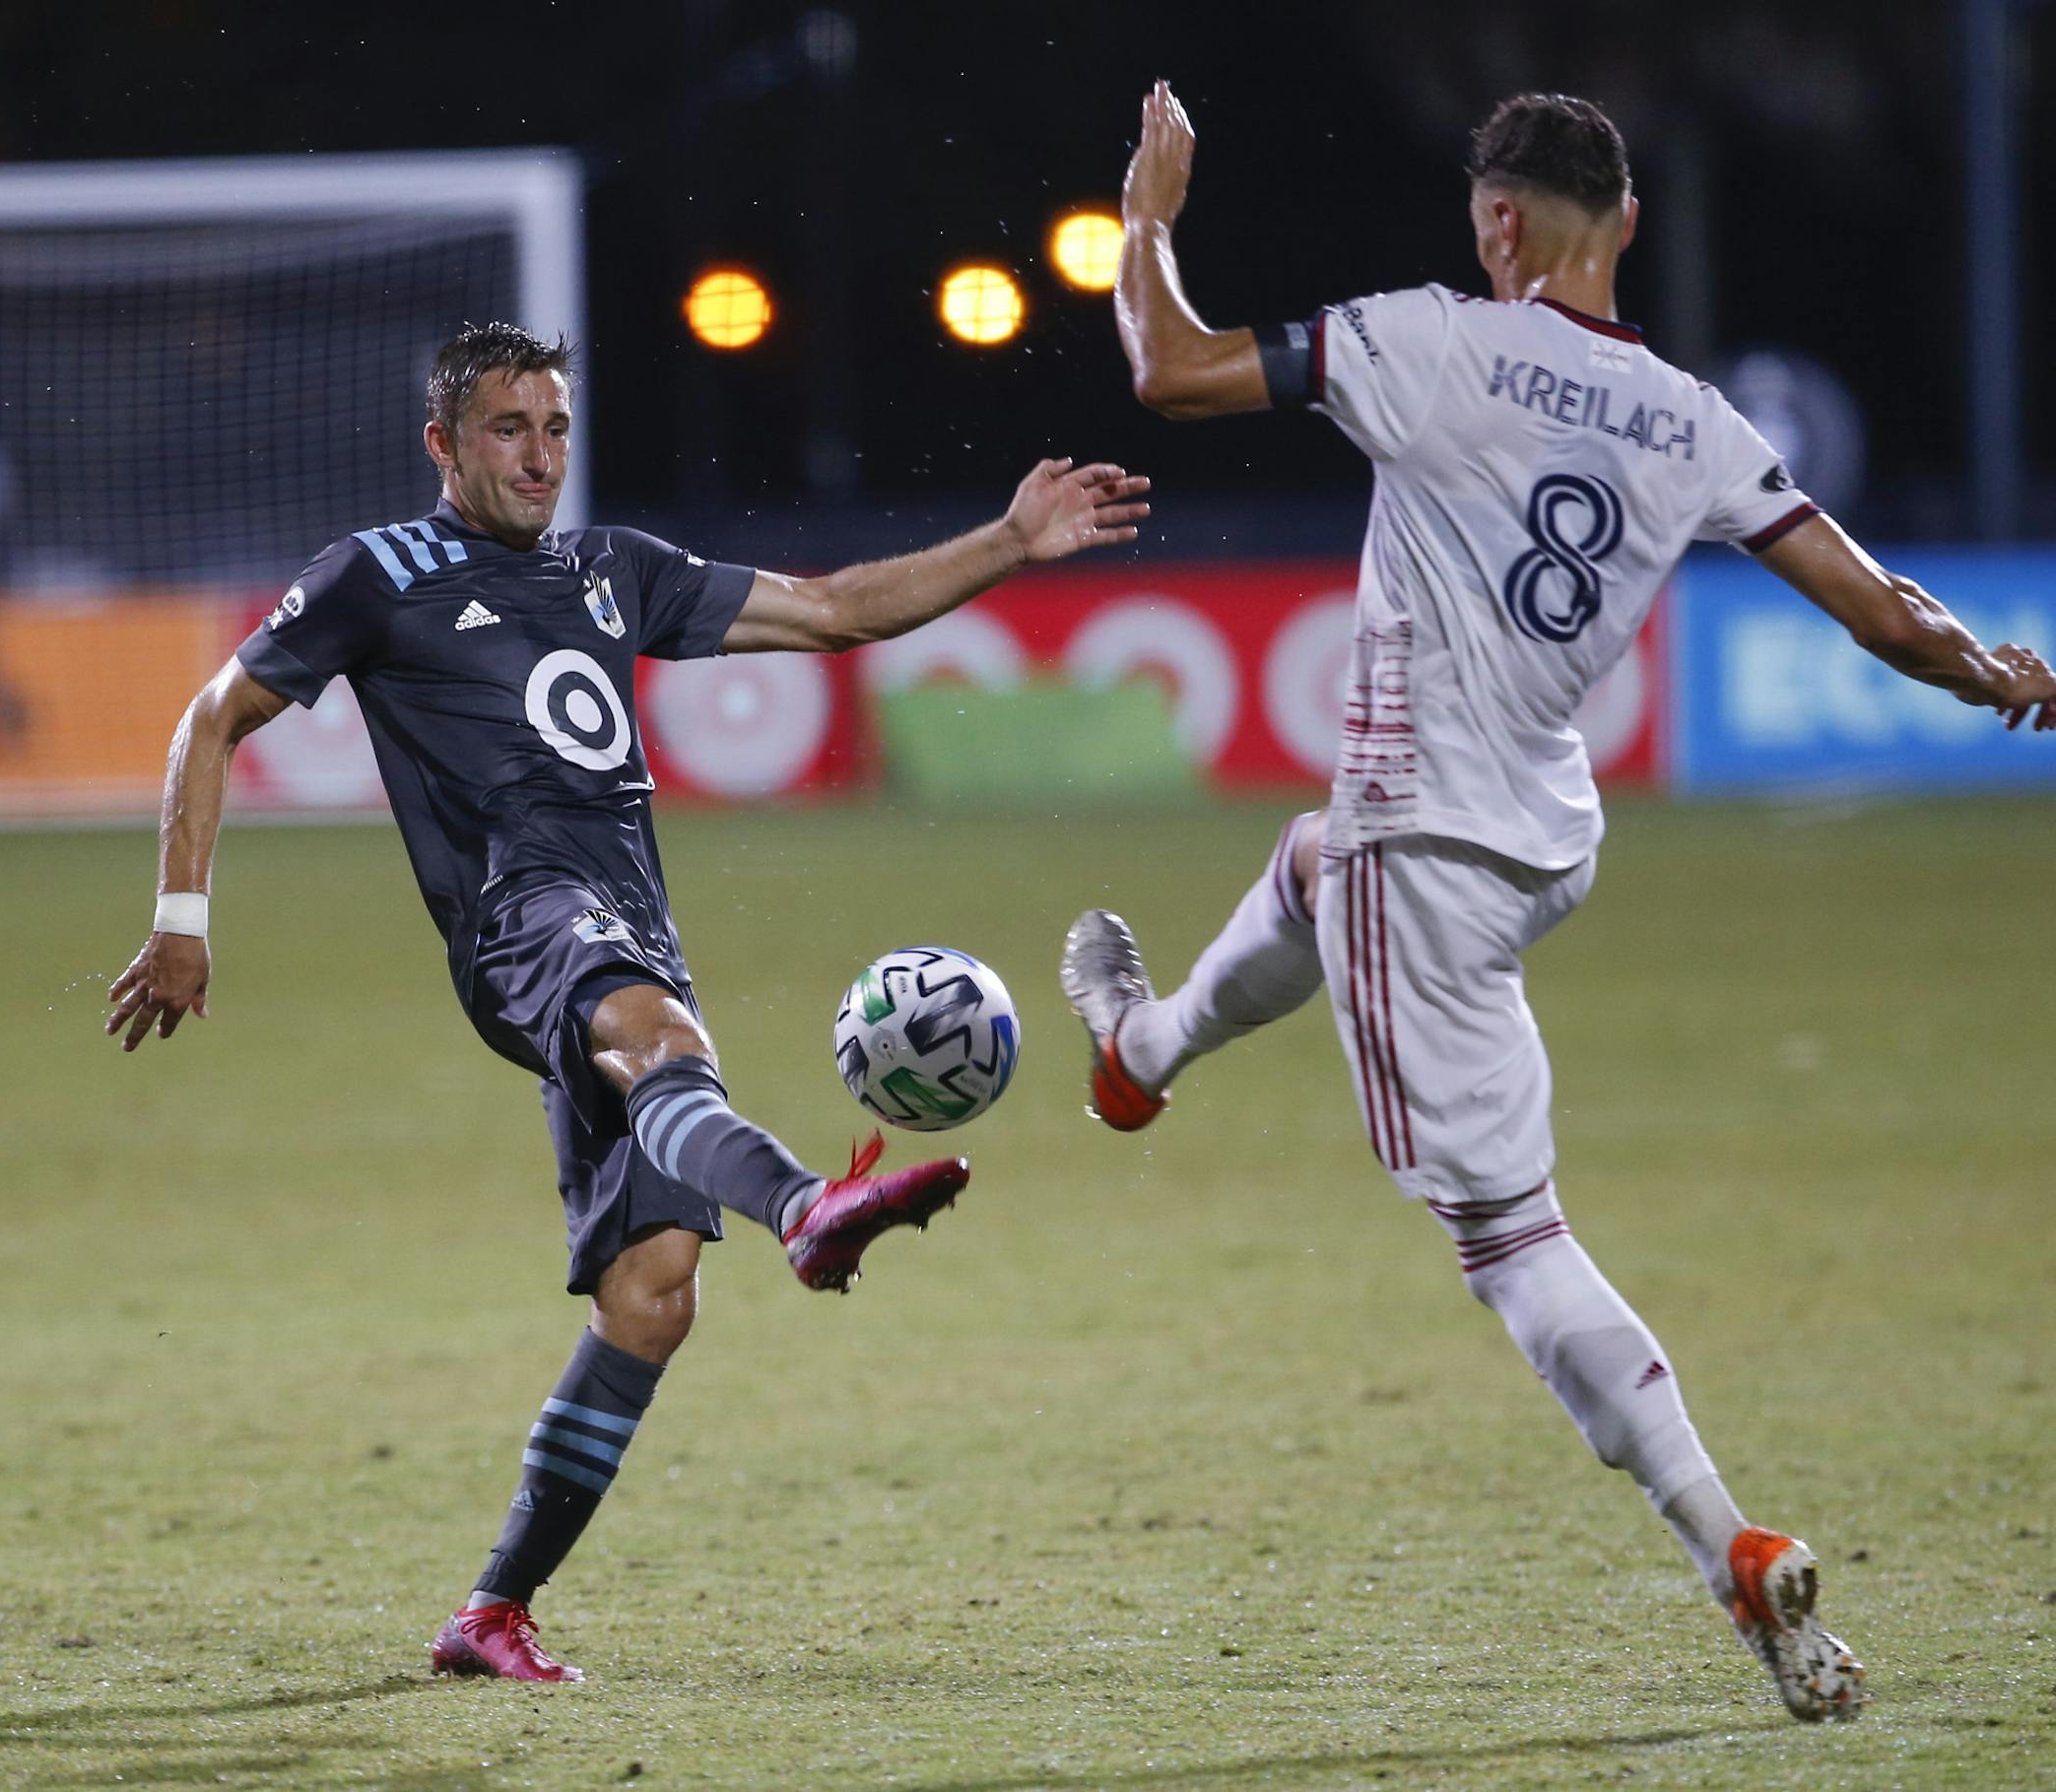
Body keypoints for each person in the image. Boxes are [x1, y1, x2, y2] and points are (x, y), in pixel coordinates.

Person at [1062, 84, 2056, 1724]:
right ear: (1634, 229)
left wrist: (1150, 213)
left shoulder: (1430, 342)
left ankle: (1733, 1547)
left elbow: (1168, 368)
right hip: (1538, 837)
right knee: (1306, 869)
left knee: (1511, 1240)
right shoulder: (1694, 417)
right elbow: (1877, 607)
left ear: (1500, 223)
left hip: (1418, 843)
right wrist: (1992, 671)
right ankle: (1141, 1052)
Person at [106, 321, 1151, 1683]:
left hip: (623, 928)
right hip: (523, 922)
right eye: (506, 429)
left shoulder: (615, 573)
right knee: (665, 1040)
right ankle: (806, 1205)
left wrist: (1008, 540)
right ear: (444, 444)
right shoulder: (381, 573)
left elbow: (836, 610)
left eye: (554, 428)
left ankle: (491, 1613)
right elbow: (212, 719)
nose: (538, 456)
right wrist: (179, 918)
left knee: (652, 1298)